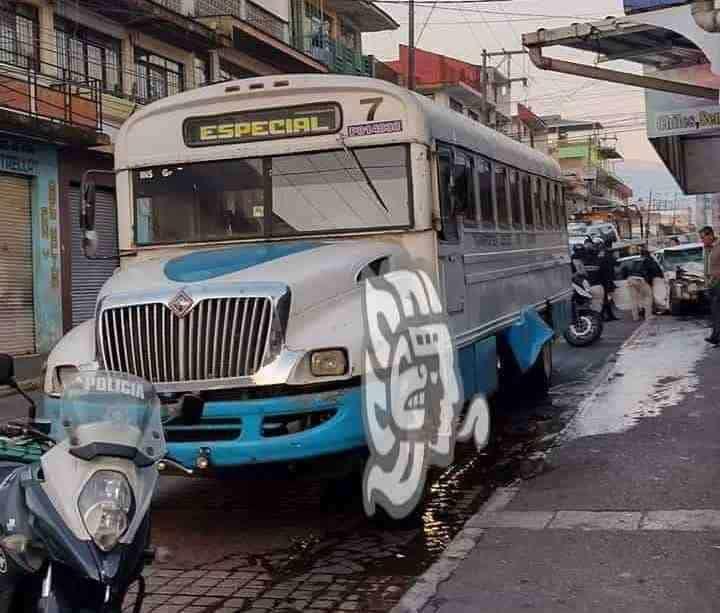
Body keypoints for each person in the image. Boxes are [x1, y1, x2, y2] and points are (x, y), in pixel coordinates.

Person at [700, 226, 720, 346]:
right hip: (711, 283)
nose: (702, 240)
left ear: (710, 235)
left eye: (703, 237)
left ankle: (717, 336)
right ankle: (715, 335)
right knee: (715, 312)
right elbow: (707, 266)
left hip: (718, 282)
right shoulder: (708, 248)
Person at [640, 247, 665, 316]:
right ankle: (657, 309)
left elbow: (647, 272)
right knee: (657, 294)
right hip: (658, 278)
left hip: (654, 279)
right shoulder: (652, 259)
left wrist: (648, 282)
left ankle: (658, 309)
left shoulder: (646, 261)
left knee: (654, 295)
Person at [598, 249, 620, 322]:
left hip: (603, 281)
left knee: (606, 299)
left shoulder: (602, 259)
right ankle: (602, 316)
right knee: (605, 299)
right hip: (605, 281)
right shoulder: (608, 259)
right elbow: (617, 264)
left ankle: (608, 315)